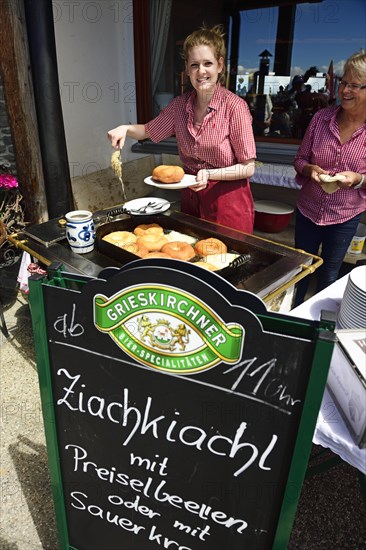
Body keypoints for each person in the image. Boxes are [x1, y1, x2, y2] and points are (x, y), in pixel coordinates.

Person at [107, 25, 256, 233]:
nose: (201, 71)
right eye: (194, 65)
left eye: (208, 63)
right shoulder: (180, 105)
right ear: (187, 68)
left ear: (220, 65)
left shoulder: (235, 107)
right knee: (192, 255)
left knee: (226, 259)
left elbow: (248, 167)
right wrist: (126, 129)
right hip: (191, 200)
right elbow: (148, 130)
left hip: (228, 203)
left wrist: (209, 174)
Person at [293, 49, 366, 306]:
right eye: (343, 82)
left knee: (329, 274)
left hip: (344, 216)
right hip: (308, 210)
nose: (345, 90)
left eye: (354, 85)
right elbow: (299, 160)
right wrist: (309, 170)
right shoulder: (321, 118)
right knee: (300, 269)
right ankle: (290, 319)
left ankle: (318, 331)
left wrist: (358, 178)